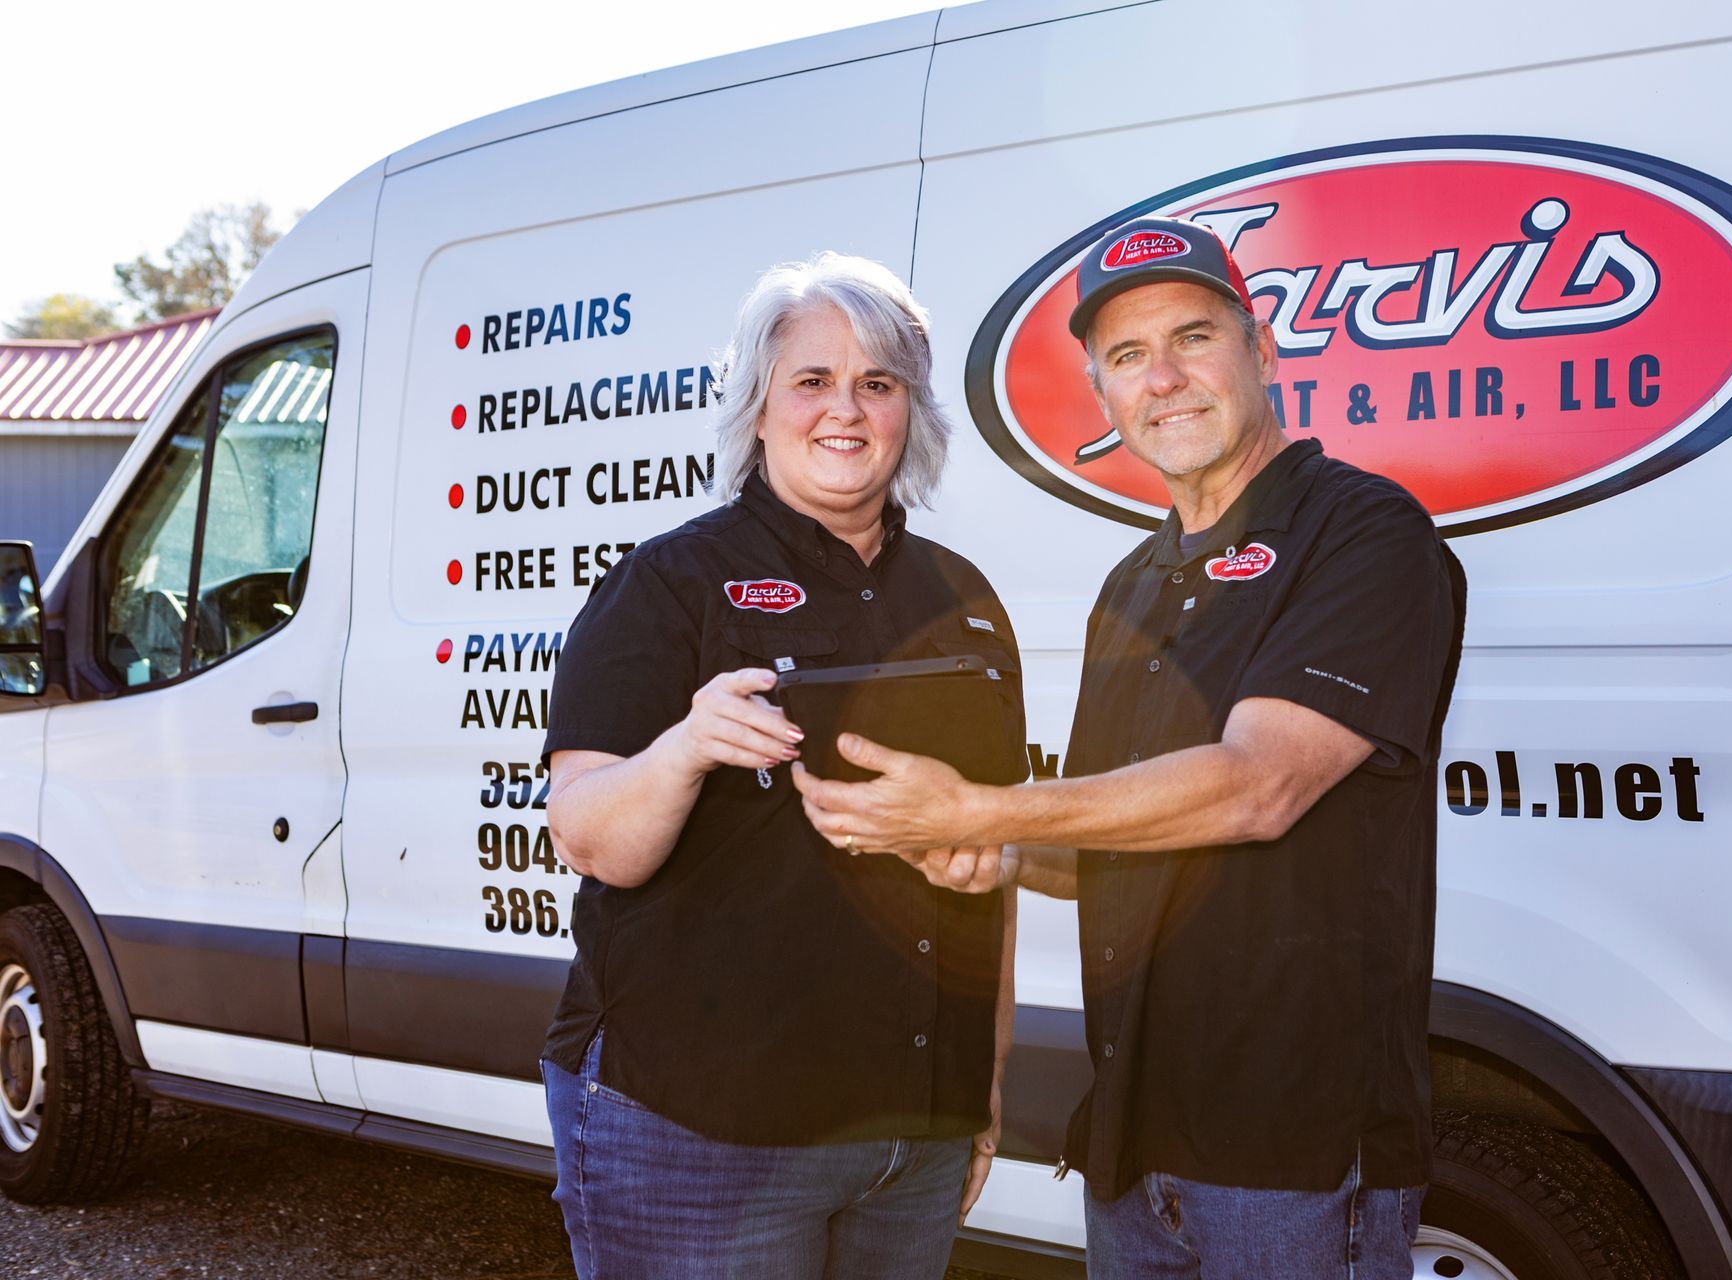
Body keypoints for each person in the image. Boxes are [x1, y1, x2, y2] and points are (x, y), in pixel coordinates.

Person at [795, 217, 1467, 1279]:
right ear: (1103, 397)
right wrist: (1001, 854)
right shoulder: (1135, 585)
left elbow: (1258, 786)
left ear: (1262, 350)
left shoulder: (1365, 534)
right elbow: (1114, 828)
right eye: (1126, 356)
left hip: (1289, 1157)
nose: (1165, 377)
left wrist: (983, 811)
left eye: (1193, 337)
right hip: (1132, 1147)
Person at [537, 251, 1026, 1279]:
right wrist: (684, 747)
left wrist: (983, 1088)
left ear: (911, 413)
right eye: (812, 380)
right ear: (759, 409)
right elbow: (587, 833)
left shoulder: (968, 600)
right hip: (704, 1129)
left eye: (878, 383)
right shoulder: (670, 582)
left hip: (913, 1135)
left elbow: (994, 859)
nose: (845, 410)